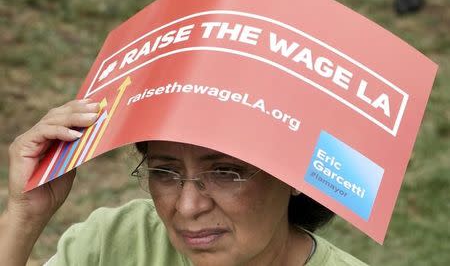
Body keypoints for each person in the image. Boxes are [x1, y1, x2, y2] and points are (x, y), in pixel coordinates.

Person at [1, 99, 368, 265]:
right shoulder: (113, 242)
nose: (188, 207)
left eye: (225, 172)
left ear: (293, 174)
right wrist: (24, 216)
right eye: (165, 171)